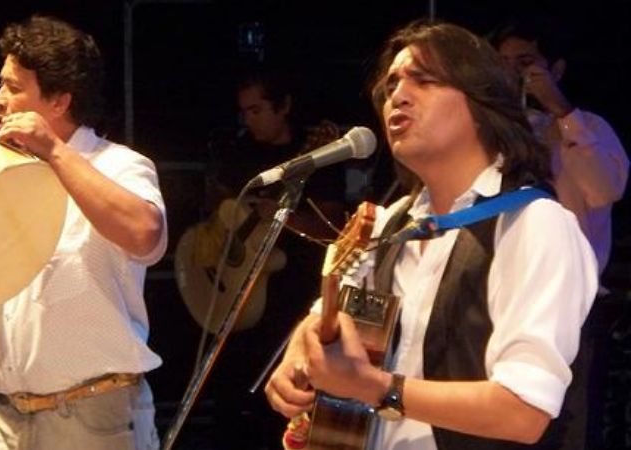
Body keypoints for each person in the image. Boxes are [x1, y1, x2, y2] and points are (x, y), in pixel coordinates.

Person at [265, 20, 598, 450]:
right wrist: (300, 346)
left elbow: (523, 410)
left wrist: (375, 386)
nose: (397, 97)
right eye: (391, 86)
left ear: (482, 101)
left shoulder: (534, 224)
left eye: (423, 81)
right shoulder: (389, 224)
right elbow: (327, 314)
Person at [0, 15, 167, 450]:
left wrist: (55, 151)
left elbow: (144, 236)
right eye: (1, 84)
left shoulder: (117, 165)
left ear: (59, 101)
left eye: (14, 87)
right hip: (6, 415)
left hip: (90, 415)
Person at [190, 67, 349, 449]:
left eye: (257, 109)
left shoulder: (316, 157)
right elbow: (217, 214)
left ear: (284, 107)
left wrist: (283, 216)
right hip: (239, 289)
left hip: (288, 296)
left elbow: (333, 229)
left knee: (276, 403)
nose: (249, 119)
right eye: (244, 111)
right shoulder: (240, 153)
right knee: (227, 397)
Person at [490, 18, 628, 280]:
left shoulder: (590, 126)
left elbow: (605, 190)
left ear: (556, 70)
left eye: (524, 63)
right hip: (501, 279)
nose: (511, 74)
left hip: (569, 281)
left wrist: (563, 113)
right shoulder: (491, 130)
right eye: (502, 64)